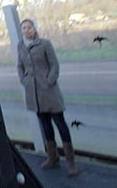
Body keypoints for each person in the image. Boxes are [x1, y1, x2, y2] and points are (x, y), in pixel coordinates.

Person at [16, 18, 78, 176]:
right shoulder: (21, 46)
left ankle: (70, 161)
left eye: (29, 27)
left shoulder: (44, 44)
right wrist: (25, 81)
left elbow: (54, 64)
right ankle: (53, 157)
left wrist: (49, 81)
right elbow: (20, 66)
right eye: (24, 28)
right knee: (45, 126)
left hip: (49, 92)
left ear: (34, 29)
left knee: (60, 124)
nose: (27, 30)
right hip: (34, 93)